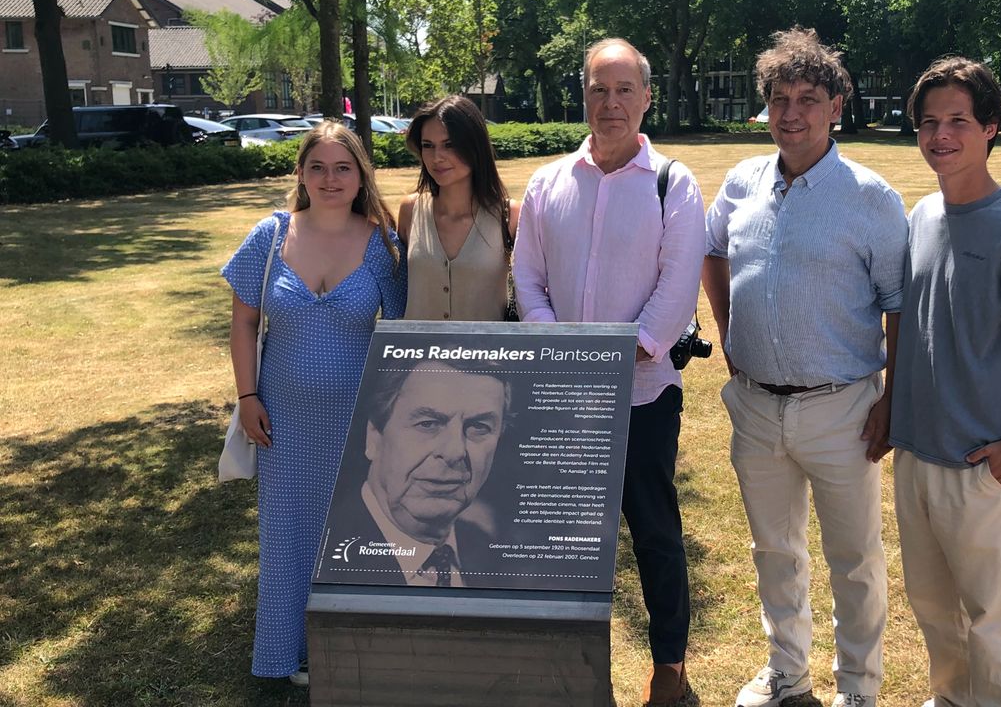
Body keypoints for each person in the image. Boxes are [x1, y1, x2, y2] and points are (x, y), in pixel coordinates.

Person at [702, 28, 908, 707]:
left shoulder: (871, 197)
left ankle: (859, 689)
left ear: (835, 106)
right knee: (774, 551)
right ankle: (787, 671)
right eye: (779, 99)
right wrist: (728, 331)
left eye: (808, 99)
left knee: (855, 558)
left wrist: (893, 398)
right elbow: (712, 250)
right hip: (756, 406)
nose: (791, 113)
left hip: (842, 407)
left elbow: (899, 306)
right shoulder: (742, 181)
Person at [512, 37, 705, 707]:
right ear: (584, 96)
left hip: (644, 397)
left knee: (654, 534)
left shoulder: (673, 183)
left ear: (647, 97)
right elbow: (527, 279)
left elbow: (677, 287)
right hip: (562, 398)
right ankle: (564, 667)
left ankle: (670, 667)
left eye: (625, 90)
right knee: (560, 539)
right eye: (599, 89)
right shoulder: (547, 183)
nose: (611, 103)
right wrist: (561, 351)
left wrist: (627, 353)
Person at [889, 56, 1001, 707]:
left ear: (990, 127)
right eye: (929, 122)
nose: (941, 135)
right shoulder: (921, 216)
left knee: (994, 618)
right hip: (917, 452)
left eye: (958, 121)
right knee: (934, 607)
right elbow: (907, 322)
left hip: (982, 463)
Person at [221, 121, 406, 686]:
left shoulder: (381, 244)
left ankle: (353, 647)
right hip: (282, 418)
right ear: (300, 173)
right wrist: (247, 395)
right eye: (318, 167)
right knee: (288, 533)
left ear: (360, 177)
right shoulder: (271, 235)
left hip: (359, 418)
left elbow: (400, 329)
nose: (330, 179)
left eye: (343, 168)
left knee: (357, 530)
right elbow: (243, 323)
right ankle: (288, 651)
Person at [324, 356, 511, 587]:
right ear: (374, 437)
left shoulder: (491, 556)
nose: (454, 452)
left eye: (478, 427)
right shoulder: (319, 547)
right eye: (428, 423)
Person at [398, 95, 520, 321]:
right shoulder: (410, 211)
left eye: (449, 145)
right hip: (417, 345)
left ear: (474, 146)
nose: (437, 157)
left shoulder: (509, 216)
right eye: (428, 146)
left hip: (487, 344)